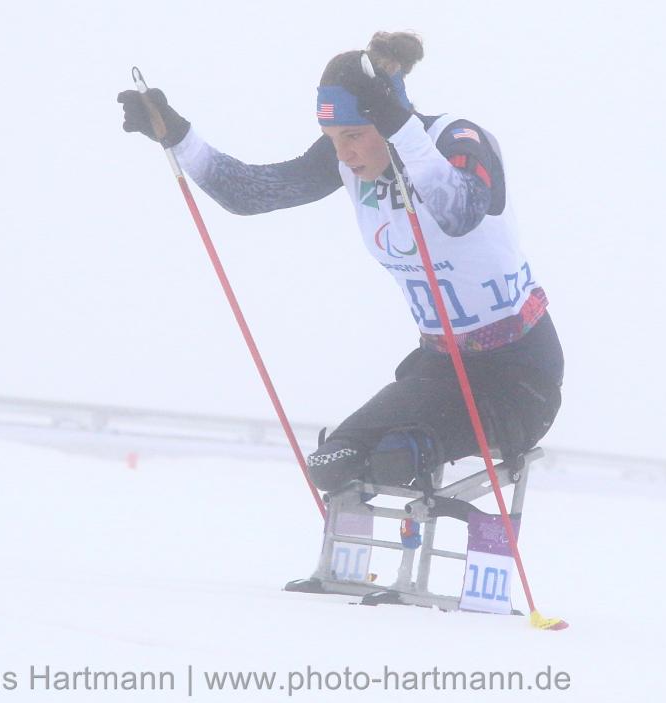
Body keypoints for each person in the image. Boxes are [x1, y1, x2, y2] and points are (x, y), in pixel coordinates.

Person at [118, 31, 564, 500]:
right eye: (333, 138)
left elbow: (460, 212)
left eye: (354, 135)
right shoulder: (346, 161)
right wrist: (177, 135)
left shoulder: (456, 138)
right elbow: (249, 193)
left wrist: (399, 127)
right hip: (441, 369)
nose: (344, 152)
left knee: (395, 457)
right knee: (334, 464)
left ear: (389, 118)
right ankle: (340, 573)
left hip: (519, 373)